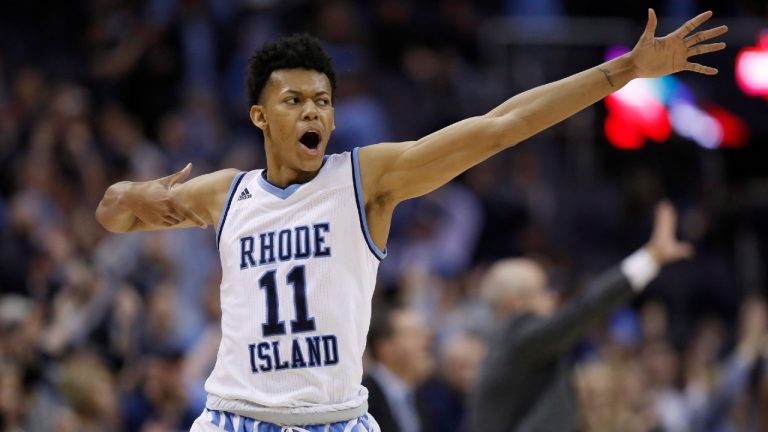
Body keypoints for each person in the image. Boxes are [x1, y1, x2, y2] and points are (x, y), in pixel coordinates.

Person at [95, 9, 727, 431]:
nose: (312, 111)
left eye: (323, 101)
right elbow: (114, 216)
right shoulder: (222, 194)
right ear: (261, 117)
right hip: (235, 414)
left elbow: (501, 126)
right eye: (293, 101)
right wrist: (130, 191)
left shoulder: (367, 179)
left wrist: (623, 72)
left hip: (334, 418)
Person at [467, 202, 694, 432]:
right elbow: (580, 312)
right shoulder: (517, 334)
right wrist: (651, 257)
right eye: (542, 291)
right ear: (513, 305)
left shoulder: (513, 348)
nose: (553, 298)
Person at [362, 303, 435, 432]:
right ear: (384, 347)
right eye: (414, 334)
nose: (426, 341)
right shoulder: (362, 403)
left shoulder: (421, 399)